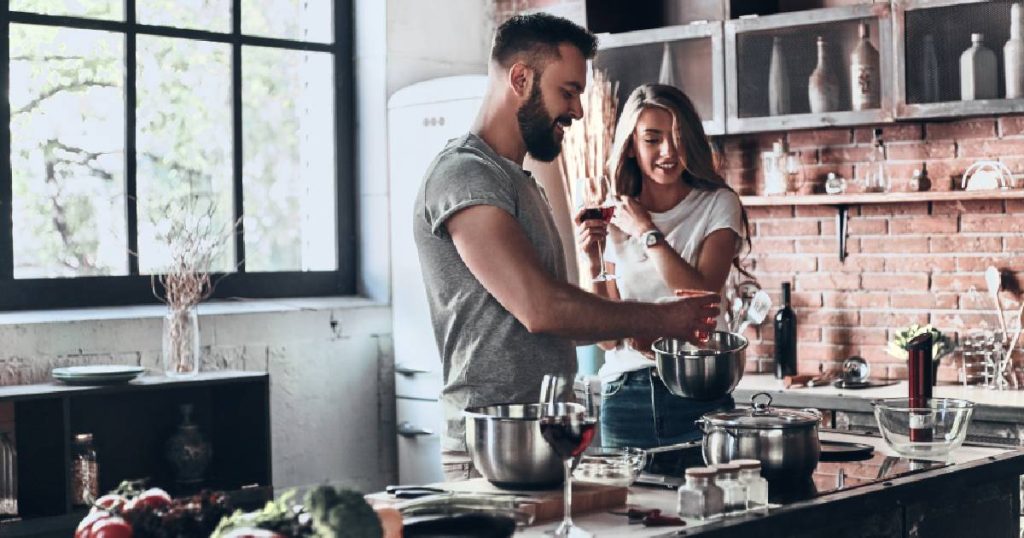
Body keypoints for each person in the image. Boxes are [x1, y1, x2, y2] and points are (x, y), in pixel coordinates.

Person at [412, 15, 720, 481]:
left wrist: (620, 314)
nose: (577, 111)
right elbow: (542, 309)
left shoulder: (521, 182)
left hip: (543, 440)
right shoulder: (466, 175)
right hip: (492, 449)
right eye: (569, 91)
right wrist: (664, 319)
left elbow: (562, 322)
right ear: (521, 79)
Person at [577, 84, 752, 450]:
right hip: (625, 399)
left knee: (711, 506)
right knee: (629, 509)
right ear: (631, 147)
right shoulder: (615, 214)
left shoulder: (718, 204)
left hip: (699, 393)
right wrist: (592, 259)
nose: (667, 152)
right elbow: (609, 338)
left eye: (676, 138)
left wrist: (646, 231)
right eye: (652, 140)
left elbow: (701, 298)